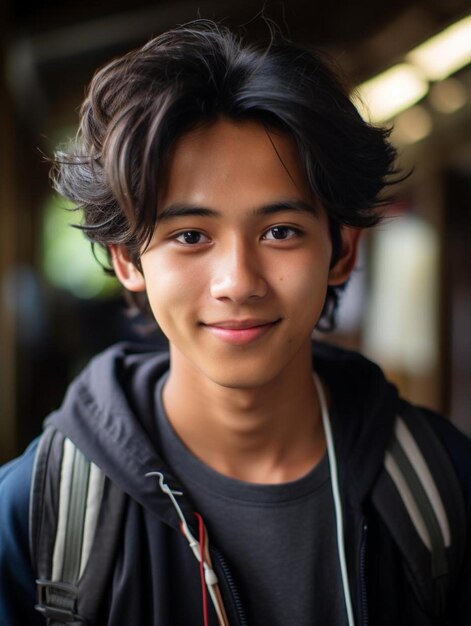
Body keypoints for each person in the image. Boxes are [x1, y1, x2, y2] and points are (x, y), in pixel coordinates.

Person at [0, 20, 470, 626]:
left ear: (343, 250)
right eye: (190, 236)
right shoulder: (36, 514)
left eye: (280, 231)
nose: (238, 282)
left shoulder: (442, 488)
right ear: (127, 260)